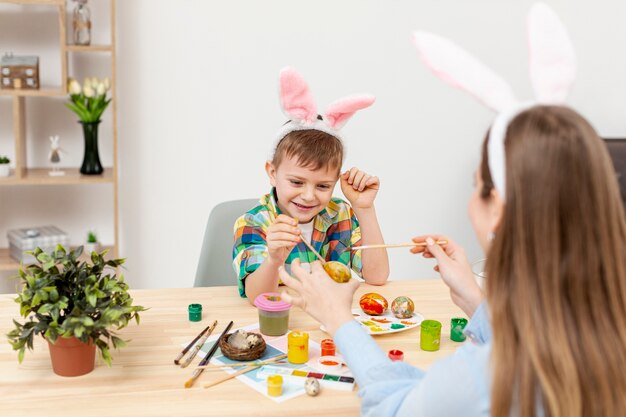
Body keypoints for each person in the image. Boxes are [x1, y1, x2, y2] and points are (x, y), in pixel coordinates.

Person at [279, 5, 626, 416]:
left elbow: (397, 407)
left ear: (497, 208)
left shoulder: (484, 377)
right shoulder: (602, 333)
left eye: (476, 186)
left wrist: (340, 320)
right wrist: (476, 301)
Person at [233, 67, 389, 301]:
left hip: (330, 323)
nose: (308, 196)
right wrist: (274, 258)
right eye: (296, 182)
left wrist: (364, 210)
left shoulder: (341, 215)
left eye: (323, 186)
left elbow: (377, 277)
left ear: (336, 181)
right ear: (272, 173)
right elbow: (258, 297)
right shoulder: (254, 222)